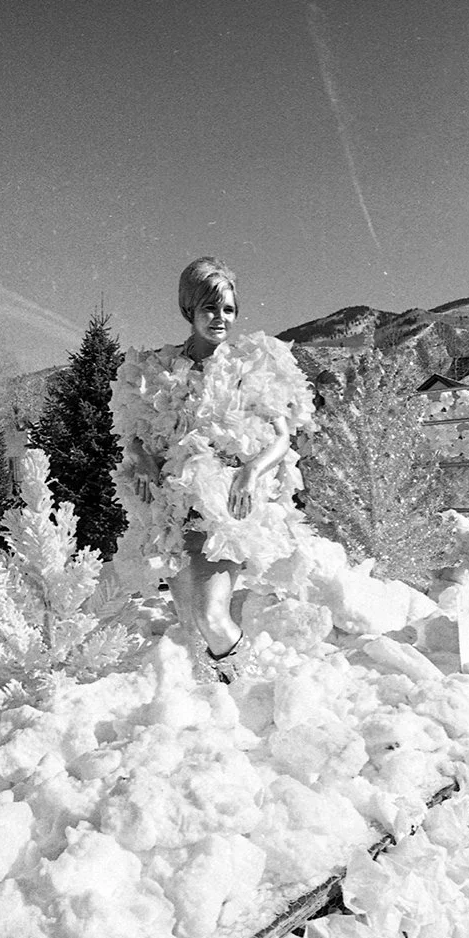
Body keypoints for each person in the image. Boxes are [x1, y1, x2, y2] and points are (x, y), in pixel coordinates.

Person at [110, 257, 315, 678]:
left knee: (211, 617)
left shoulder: (254, 362)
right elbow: (131, 434)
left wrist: (251, 471)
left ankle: (250, 686)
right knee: (190, 624)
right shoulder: (156, 369)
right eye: (209, 308)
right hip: (172, 505)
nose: (220, 318)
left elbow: (281, 437)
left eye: (227, 309)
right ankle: (219, 713)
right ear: (189, 310)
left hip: (225, 503)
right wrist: (144, 462)